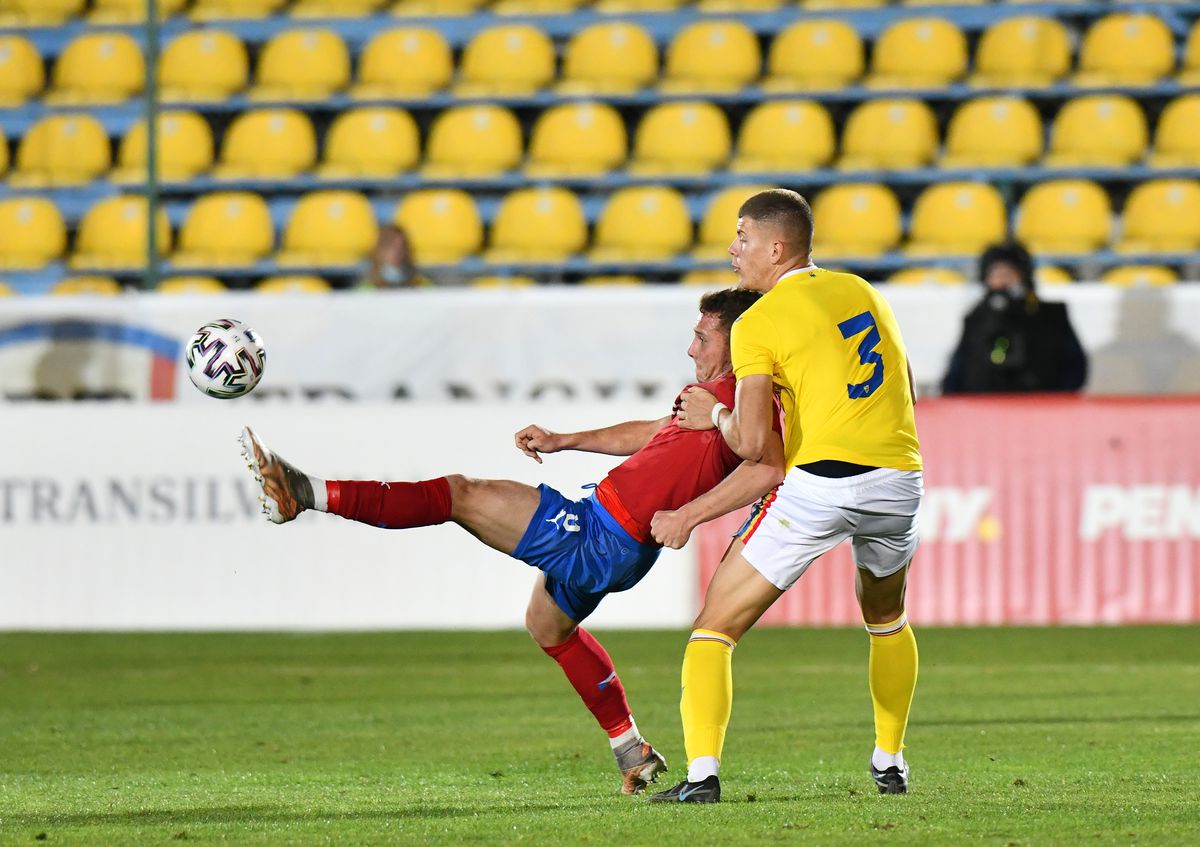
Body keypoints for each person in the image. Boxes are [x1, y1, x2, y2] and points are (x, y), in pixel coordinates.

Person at [238, 288, 785, 795]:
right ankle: (630, 748)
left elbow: (766, 461)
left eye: (703, 336)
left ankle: (304, 493)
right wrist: (566, 440)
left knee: (460, 495)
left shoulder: (741, 402)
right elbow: (656, 431)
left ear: (737, 342)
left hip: (603, 538)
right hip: (607, 530)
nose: (690, 347)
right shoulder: (712, 397)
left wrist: (689, 513)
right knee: (547, 625)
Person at [647, 188, 924, 803]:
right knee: (885, 617)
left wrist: (709, 421)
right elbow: (905, 381)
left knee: (713, 629)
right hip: (899, 477)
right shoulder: (862, 290)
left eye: (742, 238)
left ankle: (701, 778)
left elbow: (750, 443)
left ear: (777, 247)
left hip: (822, 484)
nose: (732, 249)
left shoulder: (759, 321)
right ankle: (891, 760)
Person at [941, 242, 1087, 394]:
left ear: (1023, 277)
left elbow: (1075, 370)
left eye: (1008, 275)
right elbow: (956, 374)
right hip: (983, 408)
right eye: (996, 275)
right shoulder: (975, 319)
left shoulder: (1051, 316)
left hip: (1039, 407)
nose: (1003, 283)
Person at [361, 224, 430, 289]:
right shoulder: (363, 292)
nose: (397, 252)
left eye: (402, 247)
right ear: (379, 251)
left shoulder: (421, 285)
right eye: (391, 246)